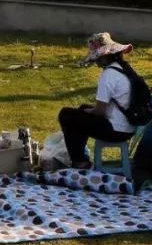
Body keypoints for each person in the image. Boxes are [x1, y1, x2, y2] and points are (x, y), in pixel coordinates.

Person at [57, 33, 137, 169]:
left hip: (115, 130)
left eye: (97, 59)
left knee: (66, 115)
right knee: (82, 110)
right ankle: (80, 157)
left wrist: (89, 111)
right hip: (129, 127)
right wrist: (85, 111)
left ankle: (79, 161)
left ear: (104, 56)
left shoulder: (108, 75)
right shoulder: (124, 69)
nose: (96, 63)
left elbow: (100, 111)